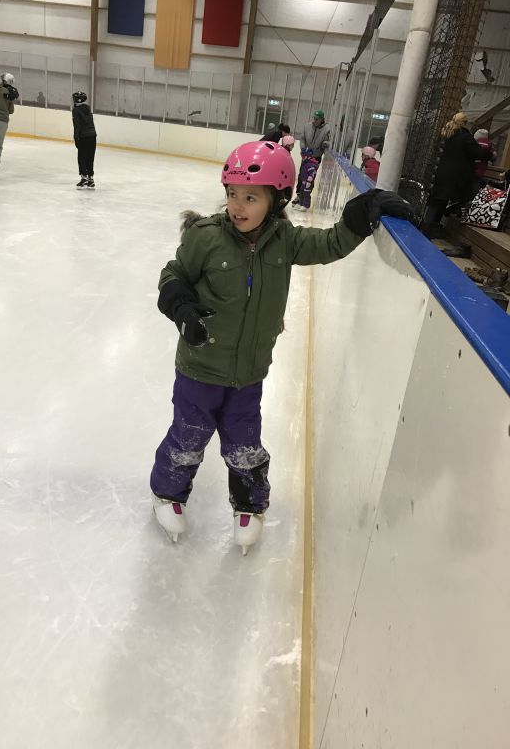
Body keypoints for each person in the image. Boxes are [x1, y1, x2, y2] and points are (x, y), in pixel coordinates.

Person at [150, 140, 414, 554]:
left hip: (249, 373)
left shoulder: (285, 241)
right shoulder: (206, 237)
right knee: (188, 437)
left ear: (277, 201)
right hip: (200, 367)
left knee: (245, 444)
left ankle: (249, 505)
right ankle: (168, 493)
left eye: (251, 197)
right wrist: (181, 307)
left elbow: (329, 245)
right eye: (232, 194)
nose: (237, 206)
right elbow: (174, 274)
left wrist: (359, 216)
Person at [421, 112, 493, 238]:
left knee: (437, 201)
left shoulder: (447, 134)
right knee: (442, 201)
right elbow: (478, 153)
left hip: (440, 173)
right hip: (454, 176)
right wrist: (490, 154)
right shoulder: (464, 137)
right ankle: (428, 229)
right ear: (464, 123)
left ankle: (428, 228)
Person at [72, 91, 97, 188]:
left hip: (84, 136)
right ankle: (90, 179)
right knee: (90, 157)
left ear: (77, 100)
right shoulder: (87, 108)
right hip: (92, 136)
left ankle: (84, 178)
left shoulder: (76, 110)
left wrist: (76, 138)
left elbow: (77, 125)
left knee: (81, 157)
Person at [292, 147, 319, 211]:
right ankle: (301, 203)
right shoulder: (305, 163)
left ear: (308, 156)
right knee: (302, 193)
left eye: (304, 156)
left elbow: (312, 174)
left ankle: (306, 205)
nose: (303, 158)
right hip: (304, 182)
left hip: (308, 183)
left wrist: (309, 181)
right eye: (302, 156)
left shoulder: (311, 164)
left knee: (306, 193)